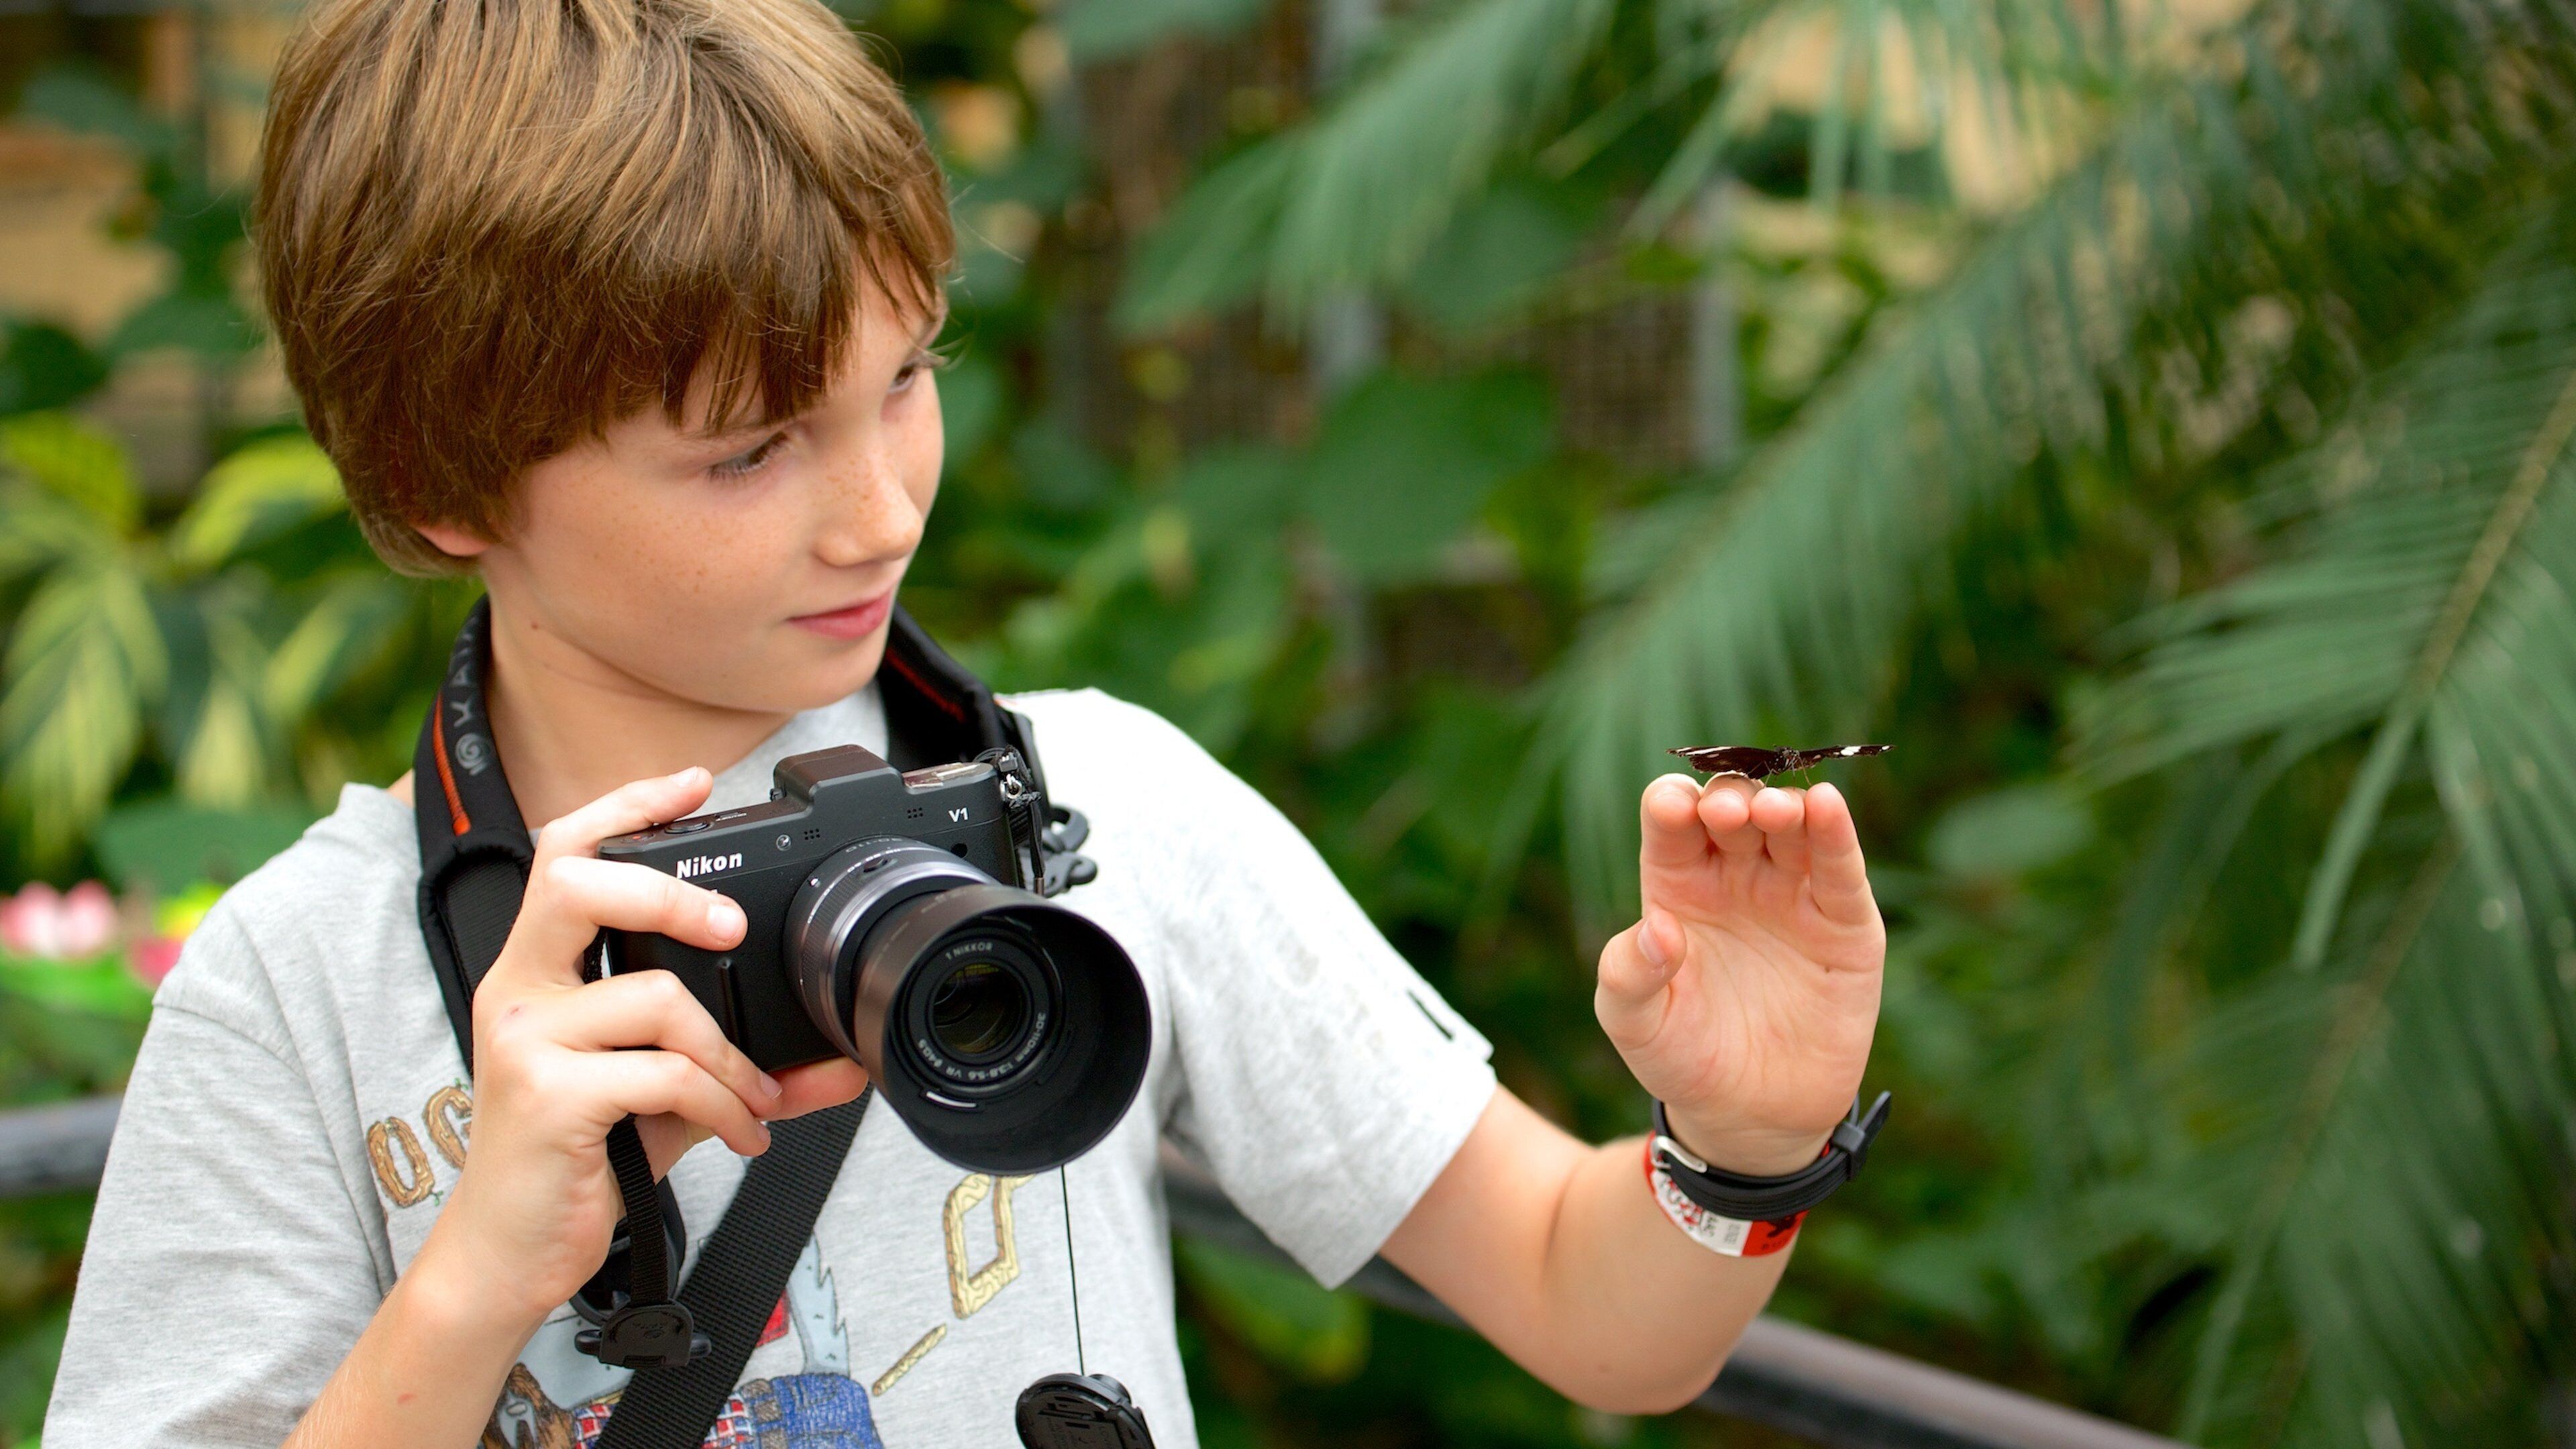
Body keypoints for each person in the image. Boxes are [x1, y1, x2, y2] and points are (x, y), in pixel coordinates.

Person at [42, 0, 1887, 1444]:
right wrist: (471, 1285)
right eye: (750, 450)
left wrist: (1741, 1145)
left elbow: (1591, 1307)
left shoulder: (1103, 812)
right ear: (447, 481)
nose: (880, 510)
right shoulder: (297, 988)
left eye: (906, 379)